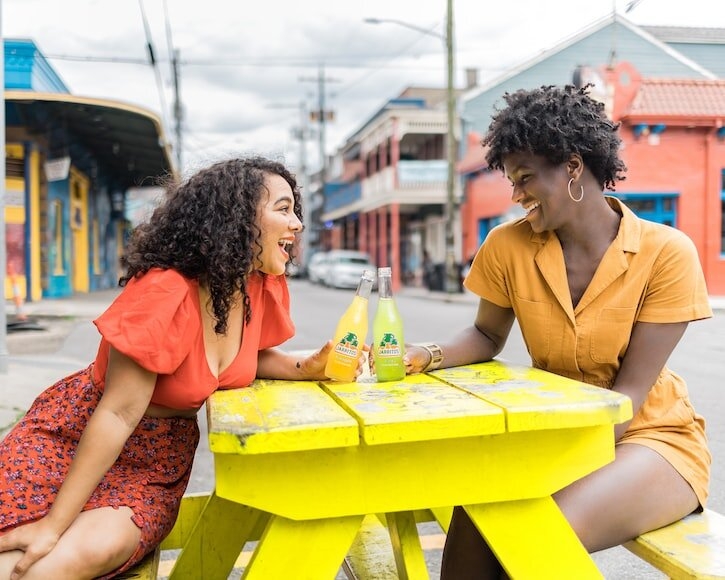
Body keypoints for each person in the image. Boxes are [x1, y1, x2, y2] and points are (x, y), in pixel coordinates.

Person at [0, 156, 361, 580]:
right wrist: (52, 526)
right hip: (75, 439)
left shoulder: (253, 285)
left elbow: (240, 360)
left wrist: (306, 366)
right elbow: (118, 414)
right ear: (237, 218)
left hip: (155, 463)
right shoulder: (164, 290)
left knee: (86, 552)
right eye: (283, 209)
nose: (297, 223)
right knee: (27, 552)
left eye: (294, 210)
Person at [404, 85, 712, 578]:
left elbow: (628, 397)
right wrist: (426, 353)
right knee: (471, 528)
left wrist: (542, 466)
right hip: (558, 431)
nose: (517, 194)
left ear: (573, 167)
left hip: (649, 438)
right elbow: (486, 335)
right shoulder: (507, 245)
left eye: (526, 178)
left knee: (533, 533)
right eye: (511, 181)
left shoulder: (666, 252)